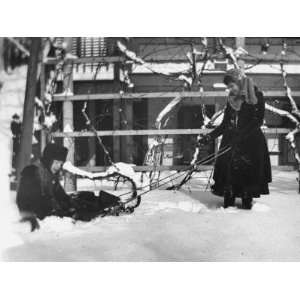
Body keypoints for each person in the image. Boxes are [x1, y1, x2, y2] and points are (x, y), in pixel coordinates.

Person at [199, 69, 272, 209]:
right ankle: (228, 203)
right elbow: (225, 123)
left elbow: (257, 121)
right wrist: (209, 136)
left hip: (251, 142)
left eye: (232, 85)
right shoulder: (231, 99)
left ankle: (246, 204)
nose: (230, 89)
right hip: (232, 141)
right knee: (228, 179)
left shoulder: (256, 95)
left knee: (247, 182)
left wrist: (241, 135)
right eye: (229, 87)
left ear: (239, 82)